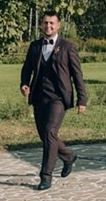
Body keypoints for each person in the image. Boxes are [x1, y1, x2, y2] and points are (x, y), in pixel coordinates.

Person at [20, 11, 87, 190]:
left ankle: (46, 176)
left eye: (51, 23)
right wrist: (24, 84)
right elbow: (27, 68)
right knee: (46, 136)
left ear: (58, 26)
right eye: (45, 23)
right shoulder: (34, 46)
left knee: (50, 132)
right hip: (39, 97)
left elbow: (77, 75)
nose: (48, 26)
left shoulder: (67, 47)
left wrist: (82, 99)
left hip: (58, 98)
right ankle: (68, 156)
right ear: (41, 25)